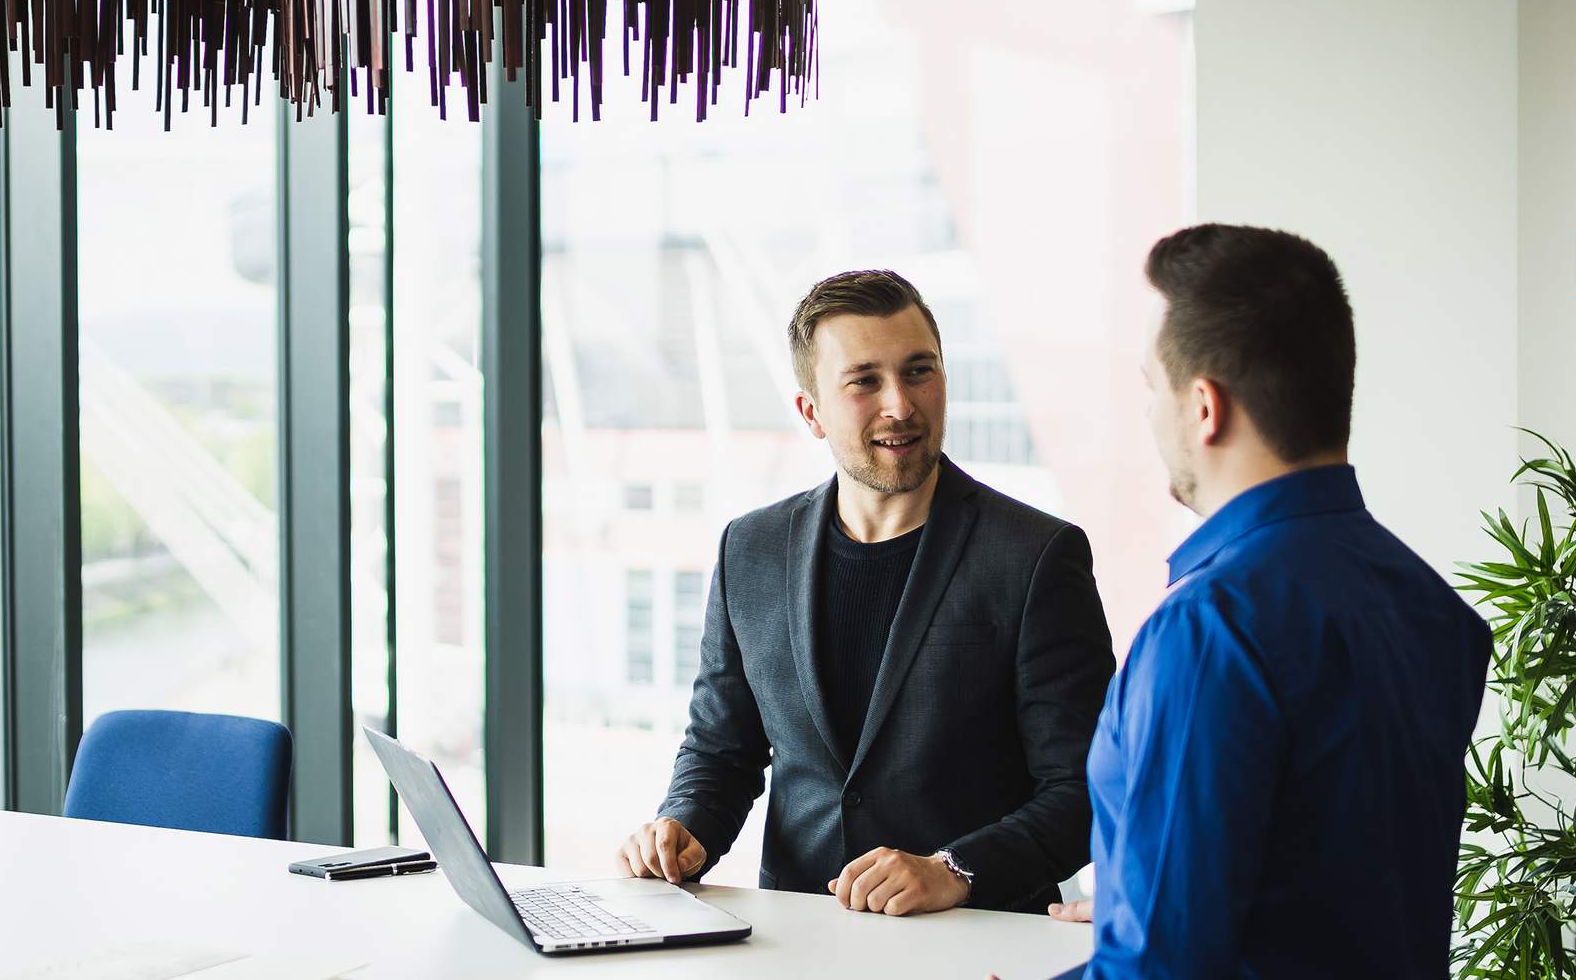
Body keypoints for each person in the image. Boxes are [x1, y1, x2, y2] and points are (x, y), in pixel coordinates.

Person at [1044, 225, 1491, 975]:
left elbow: (1162, 970)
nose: (1151, 415)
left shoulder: (1208, 630)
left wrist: (1146, 921)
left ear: (1203, 407)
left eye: (1153, 388)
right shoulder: (1432, 608)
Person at [615, 269, 1116, 916]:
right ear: (811, 411)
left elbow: (1086, 788)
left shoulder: (1036, 556)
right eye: (864, 381)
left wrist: (954, 870)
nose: (900, 405)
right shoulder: (751, 548)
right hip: (799, 941)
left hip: (977, 943)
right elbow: (721, 750)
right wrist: (683, 831)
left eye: (919, 372)